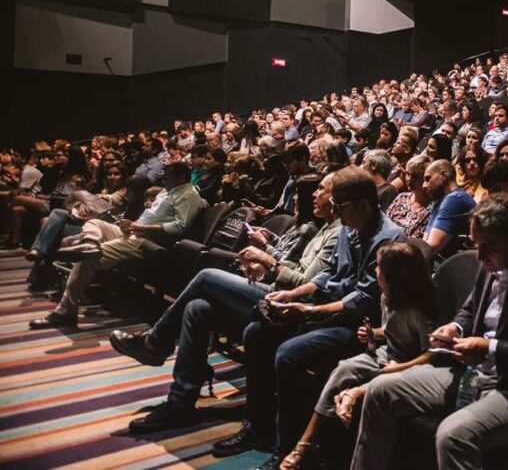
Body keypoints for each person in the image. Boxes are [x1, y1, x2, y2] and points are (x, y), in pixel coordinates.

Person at [349, 194, 508, 470]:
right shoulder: (491, 260)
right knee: (379, 391)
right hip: (473, 374)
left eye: (488, 247)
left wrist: (489, 348)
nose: (478, 256)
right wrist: (455, 326)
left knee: (453, 435)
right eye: (475, 245)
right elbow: (471, 308)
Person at [108, 173, 344, 433]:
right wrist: (264, 265)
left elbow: (306, 288)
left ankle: (156, 341)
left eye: (320, 189)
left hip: (288, 306)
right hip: (273, 291)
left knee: (206, 277)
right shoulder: (324, 227)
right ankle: (180, 404)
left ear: (337, 197)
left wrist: (269, 262)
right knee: (197, 308)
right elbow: (296, 267)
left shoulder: (337, 233)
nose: (312, 195)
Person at [220, 167, 404, 464]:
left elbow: (363, 300)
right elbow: (328, 274)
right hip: (325, 312)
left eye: (340, 205)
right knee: (256, 333)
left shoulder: (389, 238)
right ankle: (259, 427)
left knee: (289, 353)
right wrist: (292, 295)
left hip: (360, 326)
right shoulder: (348, 226)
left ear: (364, 204)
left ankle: (289, 448)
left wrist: (308, 309)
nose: (335, 211)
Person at [279, 241, 436, 470]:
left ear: (394, 276)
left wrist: (400, 368)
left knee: (375, 383)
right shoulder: (388, 296)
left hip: (410, 363)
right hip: (387, 352)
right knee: (343, 368)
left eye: (380, 268)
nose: (375, 271)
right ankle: (307, 442)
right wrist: (375, 333)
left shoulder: (419, 311)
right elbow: (393, 330)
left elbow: (431, 354)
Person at [30, 161, 203, 329]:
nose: (163, 180)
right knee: (95, 224)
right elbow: (150, 216)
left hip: (148, 241)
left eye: (168, 177)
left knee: (87, 257)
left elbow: (179, 227)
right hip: (135, 231)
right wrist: (131, 224)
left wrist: (140, 226)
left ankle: (65, 311)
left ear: (181, 177)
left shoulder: (189, 194)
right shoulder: (167, 192)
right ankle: (90, 242)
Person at [423, 159, 477, 257]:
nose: (424, 185)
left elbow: (430, 249)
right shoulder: (442, 201)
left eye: (428, 179)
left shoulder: (455, 200)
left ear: (443, 176)